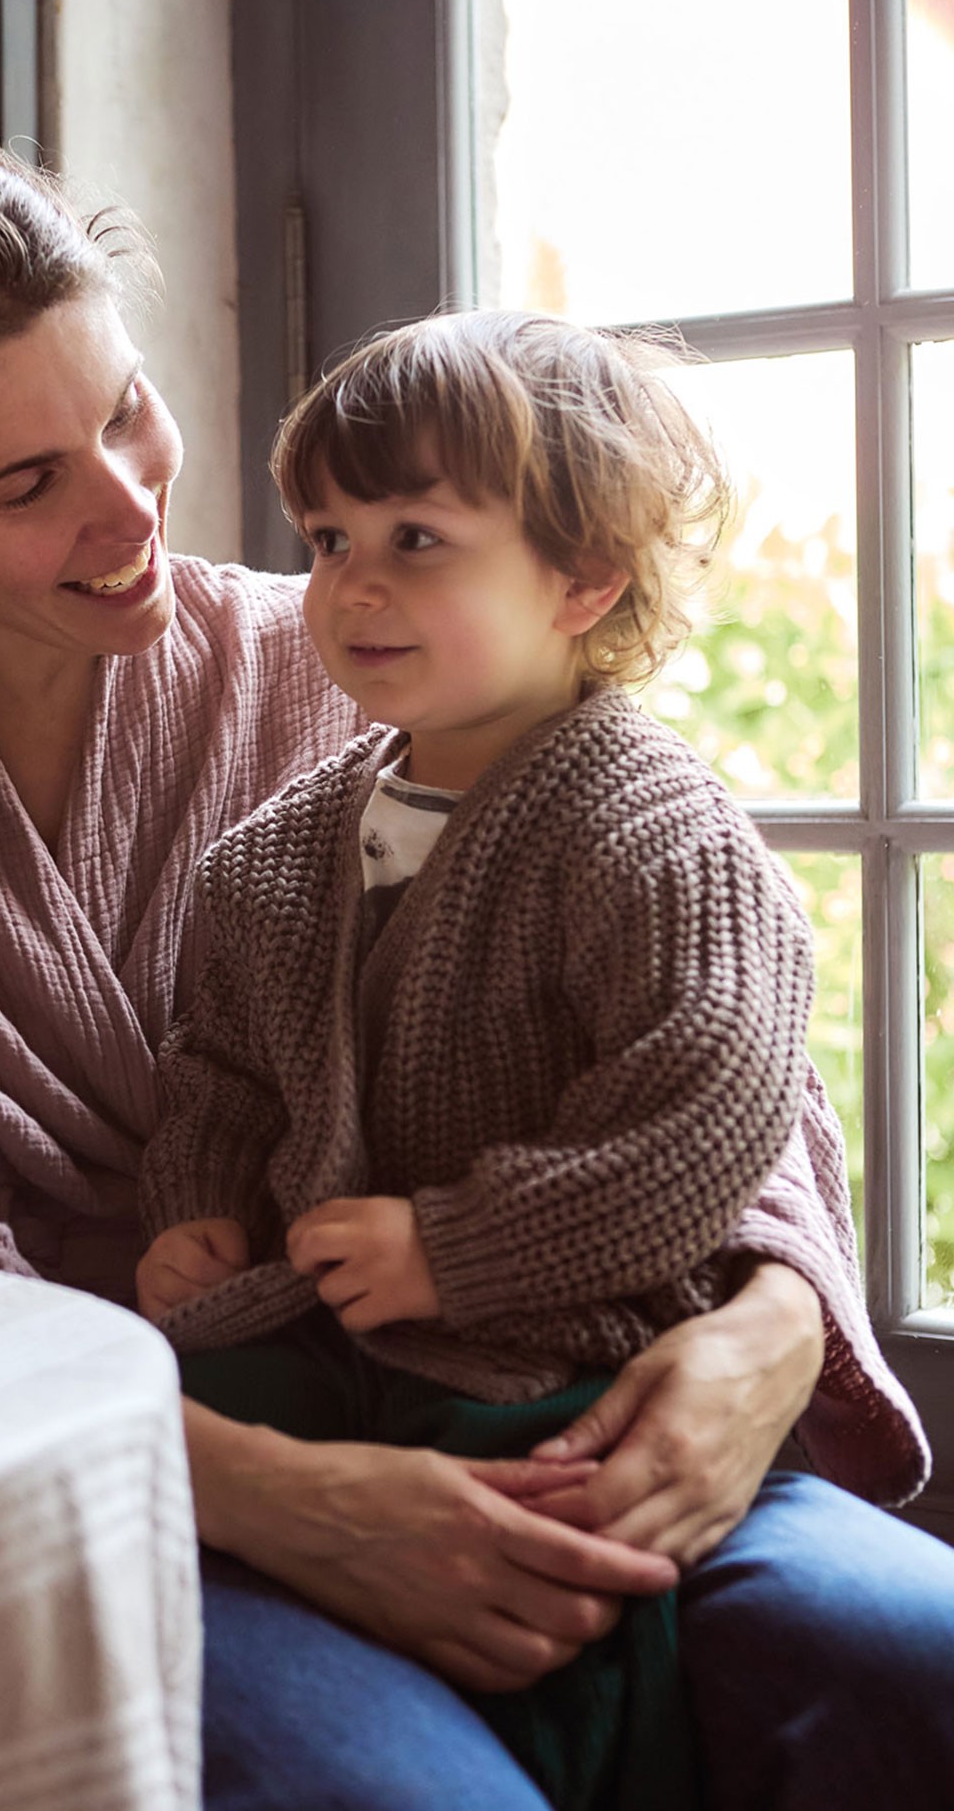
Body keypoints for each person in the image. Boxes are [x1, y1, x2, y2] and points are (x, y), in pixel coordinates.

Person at [0, 91, 954, 1811]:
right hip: (122, 1484)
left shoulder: (372, 663)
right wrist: (283, 1494)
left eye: (128, 410)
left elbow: (713, 1039)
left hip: (538, 1387)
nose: (127, 506)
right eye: (30, 483)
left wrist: (765, 1338)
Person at [133, 310, 923, 1809]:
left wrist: (457, 1247)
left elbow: (705, 1111)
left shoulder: (655, 833)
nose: (353, 582)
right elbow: (220, 1068)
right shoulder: (268, 865)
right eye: (326, 534)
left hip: (566, 1356)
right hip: (313, 1349)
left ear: (583, 580)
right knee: (171, 1440)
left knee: (568, 1590)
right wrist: (196, 1200)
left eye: (418, 536)